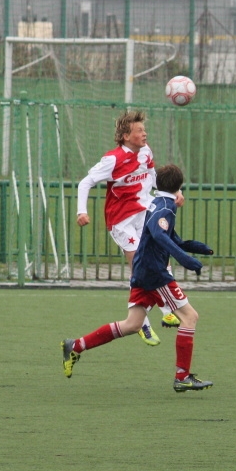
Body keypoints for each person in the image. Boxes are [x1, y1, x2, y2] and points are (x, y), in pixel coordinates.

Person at [62, 164, 214, 392]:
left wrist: (199, 249)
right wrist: (185, 260)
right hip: (155, 275)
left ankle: (76, 345)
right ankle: (182, 377)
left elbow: (173, 238)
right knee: (190, 317)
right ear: (178, 189)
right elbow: (157, 231)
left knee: (132, 324)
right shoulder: (165, 207)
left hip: (142, 271)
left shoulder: (159, 202)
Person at [75, 109, 181, 347]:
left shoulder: (146, 152)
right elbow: (85, 182)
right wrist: (81, 211)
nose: (145, 133)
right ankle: (157, 315)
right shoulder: (112, 159)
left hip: (144, 215)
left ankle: (156, 314)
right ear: (125, 136)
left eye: (144, 129)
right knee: (140, 264)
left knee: (161, 260)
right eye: (139, 130)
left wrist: (174, 192)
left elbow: (154, 178)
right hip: (121, 220)